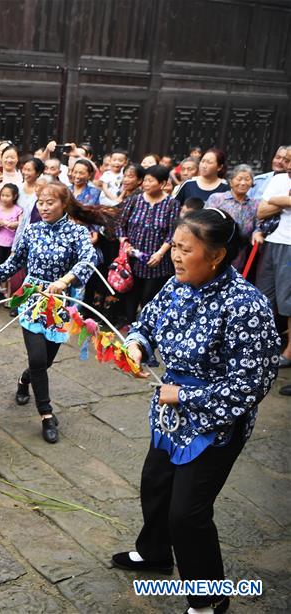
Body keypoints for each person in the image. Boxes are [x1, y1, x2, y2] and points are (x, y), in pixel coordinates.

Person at [112, 209, 280, 614]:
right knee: (155, 485)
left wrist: (186, 397)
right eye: (176, 247)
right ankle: (153, 553)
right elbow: (147, 323)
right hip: (170, 414)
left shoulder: (246, 306)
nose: (176, 256)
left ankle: (209, 598)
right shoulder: (177, 285)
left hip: (216, 424)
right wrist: (136, 345)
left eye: (186, 249)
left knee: (187, 514)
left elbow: (251, 382)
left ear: (217, 255)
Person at [0, 183, 116, 443]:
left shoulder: (77, 232)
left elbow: (89, 260)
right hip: (33, 299)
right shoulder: (31, 230)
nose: (44, 207)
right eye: (40, 202)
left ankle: (24, 379)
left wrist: (65, 281)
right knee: (39, 358)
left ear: (64, 204)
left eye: (50, 202)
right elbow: (14, 261)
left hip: (61, 304)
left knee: (45, 362)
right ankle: (46, 414)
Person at [119, 165, 182, 322]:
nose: (145, 184)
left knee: (150, 297)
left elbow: (173, 232)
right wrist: (124, 243)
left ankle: (146, 328)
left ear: (161, 184)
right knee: (130, 295)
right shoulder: (134, 200)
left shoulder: (172, 204)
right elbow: (120, 225)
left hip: (157, 261)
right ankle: (129, 324)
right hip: (132, 259)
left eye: (150, 181)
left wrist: (160, 253)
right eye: (145, 180)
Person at [256, 145, 291, 368]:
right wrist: (284, 200)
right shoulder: (279, 179)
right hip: (272, 240)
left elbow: (271, 203)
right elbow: (260, 210)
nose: (287, 165)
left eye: (290, 160)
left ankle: (288, 352)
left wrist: (276, 201)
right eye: (286, 160)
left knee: (288, 302)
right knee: (264, 296)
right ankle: (259, 345)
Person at [205, 165, 257, 270]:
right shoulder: (217, 198)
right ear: (231, 181)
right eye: (239, 179)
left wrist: (257, 231)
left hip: (240, 252)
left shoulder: (255, 204)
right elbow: (205, 221)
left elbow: (259, 224)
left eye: (247, 179)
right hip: (215, 247)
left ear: (252, 183)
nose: (243, 183)